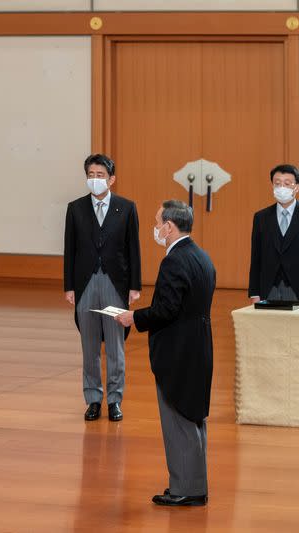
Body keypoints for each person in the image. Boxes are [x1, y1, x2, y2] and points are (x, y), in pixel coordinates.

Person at [115, 200, 215, 506]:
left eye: (158, 222)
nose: (155, 228)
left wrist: (135, 318)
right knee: (193, 417)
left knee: (178, 419)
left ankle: (186, 489)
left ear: (169, 227)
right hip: (199, 345)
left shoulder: (173, 261)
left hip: (178, 350)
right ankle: (194, 483)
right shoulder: (201, 256)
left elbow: (166, 310)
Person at [64, 154, 142, 422]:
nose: (95, 180)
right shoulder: (75, 209)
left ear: (112, 179)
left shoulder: (126, 207)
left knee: (115, 347)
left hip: (115, 283)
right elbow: (70, 250)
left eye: (100, 175)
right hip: (85, 283)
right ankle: (93, 399)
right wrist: (69, 286)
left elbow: (134, 249)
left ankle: (115, 399)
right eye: (91, 175)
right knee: (89, 346)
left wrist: (134, 286)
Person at [248, 164, 299, 306]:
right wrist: (254, 293)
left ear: (296, 187)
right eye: (277, 183)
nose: (281, 188)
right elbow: (256, 258)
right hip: (269, 290)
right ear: (272, 186)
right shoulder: (261, 218)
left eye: (287, 183)